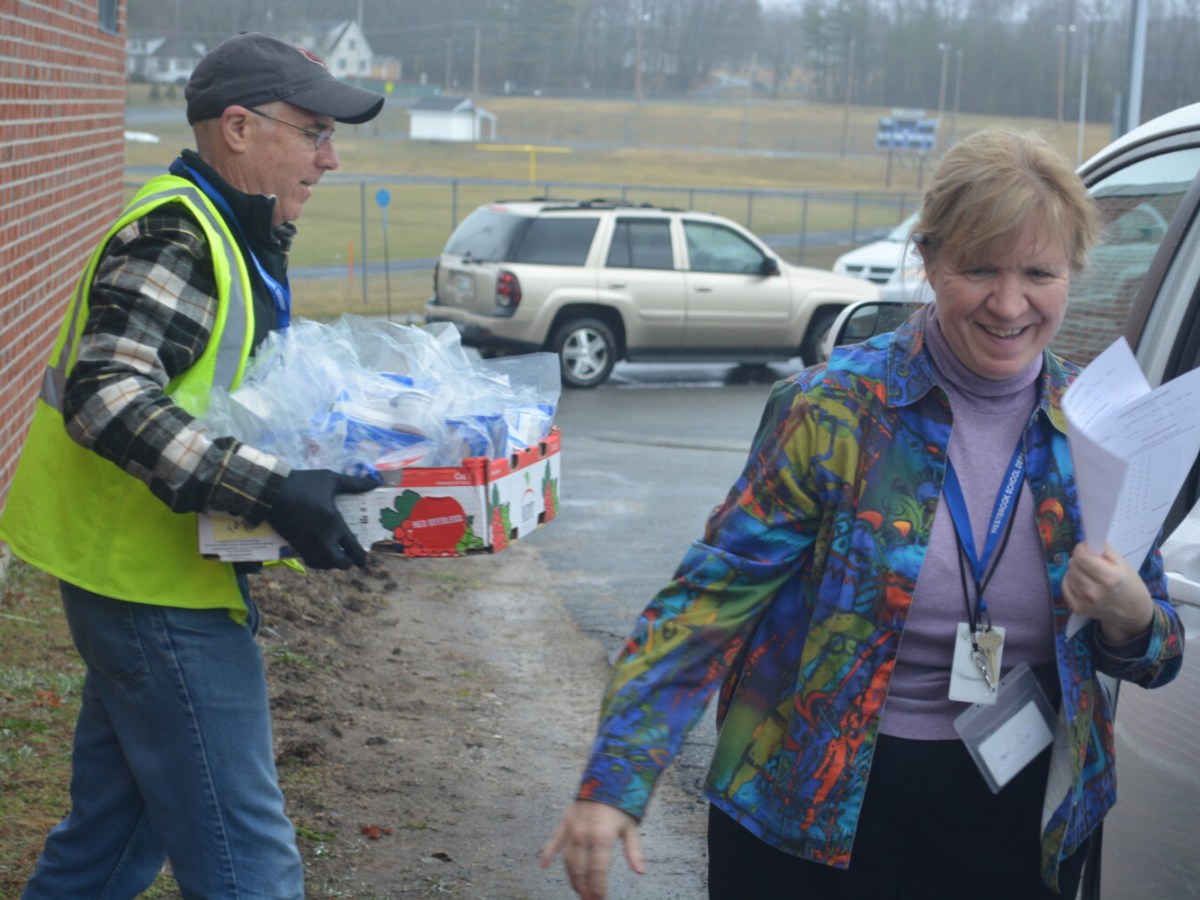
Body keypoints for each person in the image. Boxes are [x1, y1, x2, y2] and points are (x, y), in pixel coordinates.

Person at [540, 127, 1185, 899]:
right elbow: (709, 599)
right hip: (813, 819)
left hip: (1021, 822)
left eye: (1038, 273)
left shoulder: (1102, 424)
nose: (1010, 303)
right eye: (980, 268)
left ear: (1071, 272)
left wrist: (1131, 614)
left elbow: (1156, 655)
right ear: (929, 260)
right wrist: (615, 777)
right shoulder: (832, 410)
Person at [0, 32, 385, 899]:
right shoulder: (179, 233)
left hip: (143, 578)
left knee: (108, 846)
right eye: (315, 133)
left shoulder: (231, 230)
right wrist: (273, 490)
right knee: (249, 864)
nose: (329, 159)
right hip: (156, 593)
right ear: (239, 128)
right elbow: (106, 395)